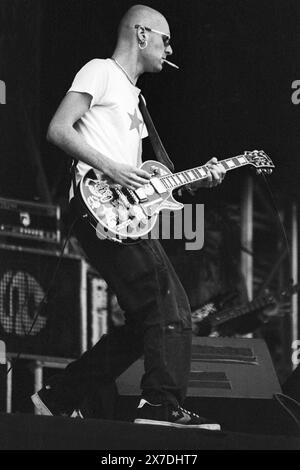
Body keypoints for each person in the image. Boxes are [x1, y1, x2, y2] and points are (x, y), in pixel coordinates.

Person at [31, 4, 226, 429]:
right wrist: (113, 167)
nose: (169, 47)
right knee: (170, 306)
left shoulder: (134, 99)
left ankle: (58, 395)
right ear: (141, 34)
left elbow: (146, 183)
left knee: (144, 322)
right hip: (98, 206)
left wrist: (197, 181)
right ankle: (160, 406)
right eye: (165, 38)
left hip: (123, 214)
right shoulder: (100, 71)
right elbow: (59, 129)